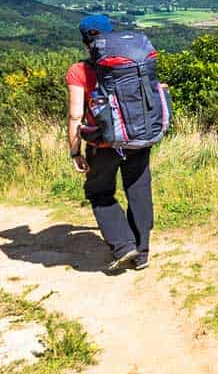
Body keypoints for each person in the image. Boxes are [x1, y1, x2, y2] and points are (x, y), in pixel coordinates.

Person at [66, 14, 154, 272]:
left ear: (84, 41)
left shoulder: (78, 71)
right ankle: (142, 253)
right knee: (138, 190)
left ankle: (124, 245)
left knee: (99, 192)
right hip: (137, 138)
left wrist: (75, 152)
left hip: (103, 144)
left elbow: (75, 116)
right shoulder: (128, 62)